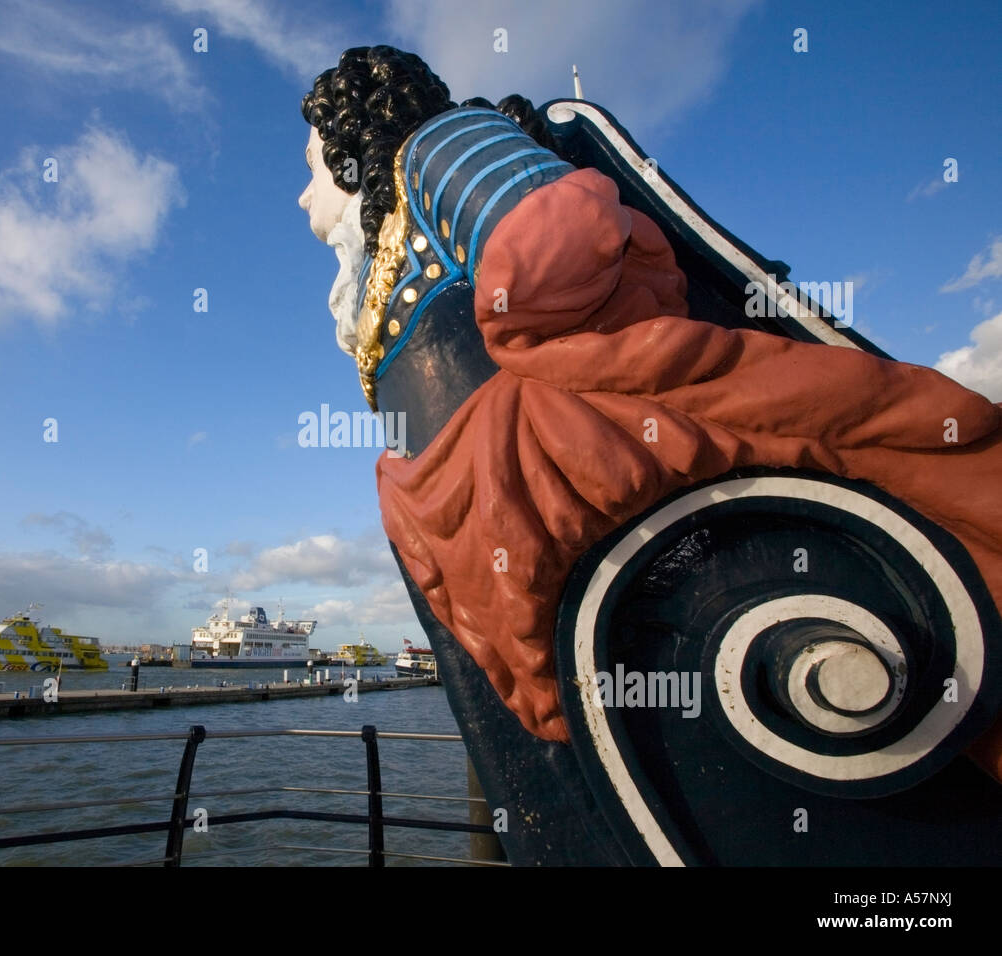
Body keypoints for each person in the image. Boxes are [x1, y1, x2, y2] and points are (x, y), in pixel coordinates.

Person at [298, 45, 1002, 863]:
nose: (304, 192)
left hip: (531, 463)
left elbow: (558, 228)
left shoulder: (439, 146)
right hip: (457, 501)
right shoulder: (386, 246)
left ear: (354, 148)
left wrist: (520, 324)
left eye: (312, 167)